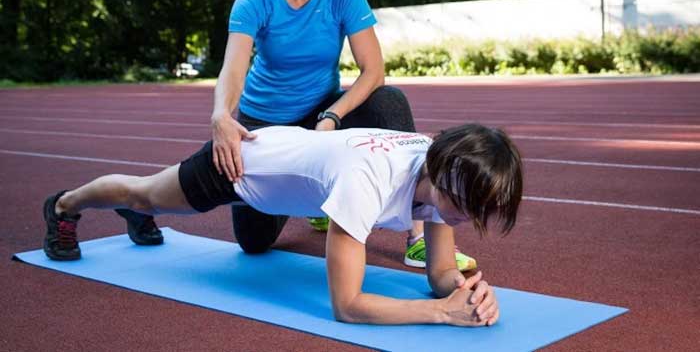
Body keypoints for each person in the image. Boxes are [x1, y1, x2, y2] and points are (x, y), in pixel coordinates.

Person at [115, 0, 474, 271]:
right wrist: (221, 114)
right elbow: (233, 70)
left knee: (388, 101)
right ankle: (138, 201)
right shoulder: (254, 1)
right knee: (254, 243)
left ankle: (416, 237)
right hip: (266, 124)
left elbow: (373, 71)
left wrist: (333, 115)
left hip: (322, 114)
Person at [42, 123, 523, 327]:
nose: (464, 220)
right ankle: (65, 205)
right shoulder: (369, 181)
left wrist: (466, 292)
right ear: (439, 174)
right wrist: (441, 314)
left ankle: (139, 216)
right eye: (463, 207)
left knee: (157, 206)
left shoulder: (447, 174)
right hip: (240, 165)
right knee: (145, 193)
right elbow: (348, 306)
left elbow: (439, 273)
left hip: (287, 165)